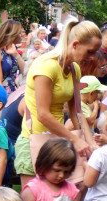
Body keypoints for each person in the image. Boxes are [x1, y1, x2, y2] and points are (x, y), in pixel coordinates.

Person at [16, 19, 101, 188]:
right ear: (75, 44)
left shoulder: (73, 69)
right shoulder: (46, 67)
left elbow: (77, 112)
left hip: (56, 141)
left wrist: (89, 142)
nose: (93, 58)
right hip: (34, 140)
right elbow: (43, 114)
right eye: (90, 52)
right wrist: (75, 140)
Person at [0, 20, 26, 94]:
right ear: (12, 34)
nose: (22, 35)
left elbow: (25, 72)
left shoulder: (12, 52)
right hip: (2, 96)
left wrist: (16, 54)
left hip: (13, 93)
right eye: (20, 32)